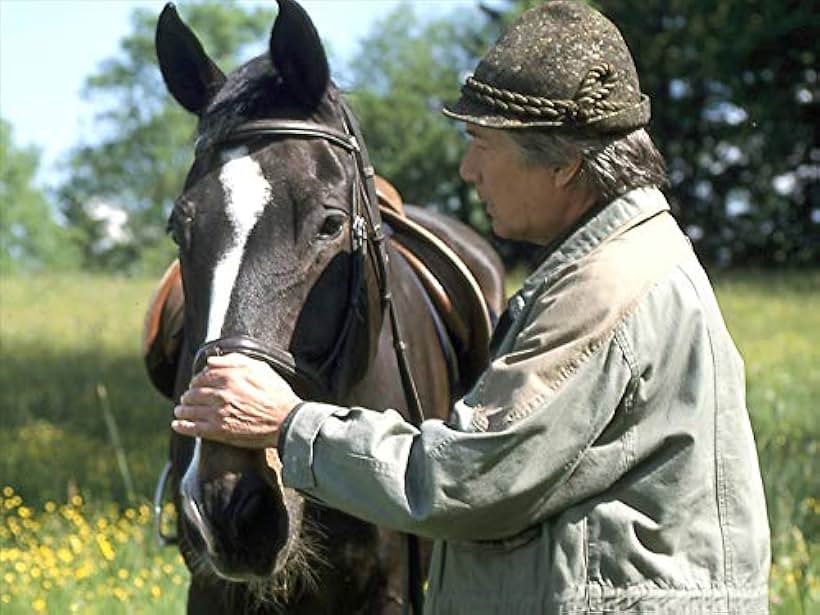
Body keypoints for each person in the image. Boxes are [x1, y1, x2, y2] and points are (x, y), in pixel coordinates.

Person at [171, 2, 771, 612]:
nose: (467, 170)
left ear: (563, 164)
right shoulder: (624, 257)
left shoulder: (604, 289)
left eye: (483, 143)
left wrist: (289, 424)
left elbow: (471, 479)